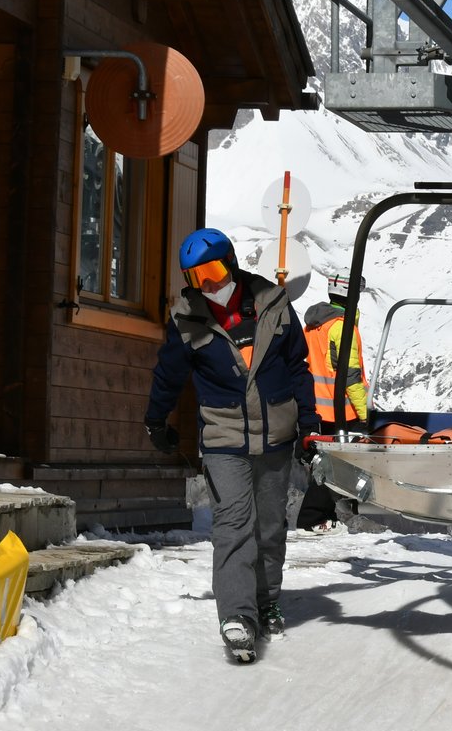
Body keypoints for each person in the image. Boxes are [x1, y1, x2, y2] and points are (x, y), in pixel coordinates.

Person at [144, 228, 317, 664]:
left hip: (277, 435)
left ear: (233, 263)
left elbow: (298, 366)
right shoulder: (187, 318)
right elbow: (169, 374)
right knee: (234, 525)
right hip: (223, 439)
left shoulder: (273, 304)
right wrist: (155, 419)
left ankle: (266, 601)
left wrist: (310, 423)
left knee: (270, 528)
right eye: (198, 276)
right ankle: (237, 617)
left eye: (215, 270)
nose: (210, 283)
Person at [295, 272, 369, 534]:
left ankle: (323, 518)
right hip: (339, 409)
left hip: (315, 406)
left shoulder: (314, 325)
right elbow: (350, 375)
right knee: (334, 466)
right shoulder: (341, 326)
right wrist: (364, 413)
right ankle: (312, 519)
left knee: (325, 463)